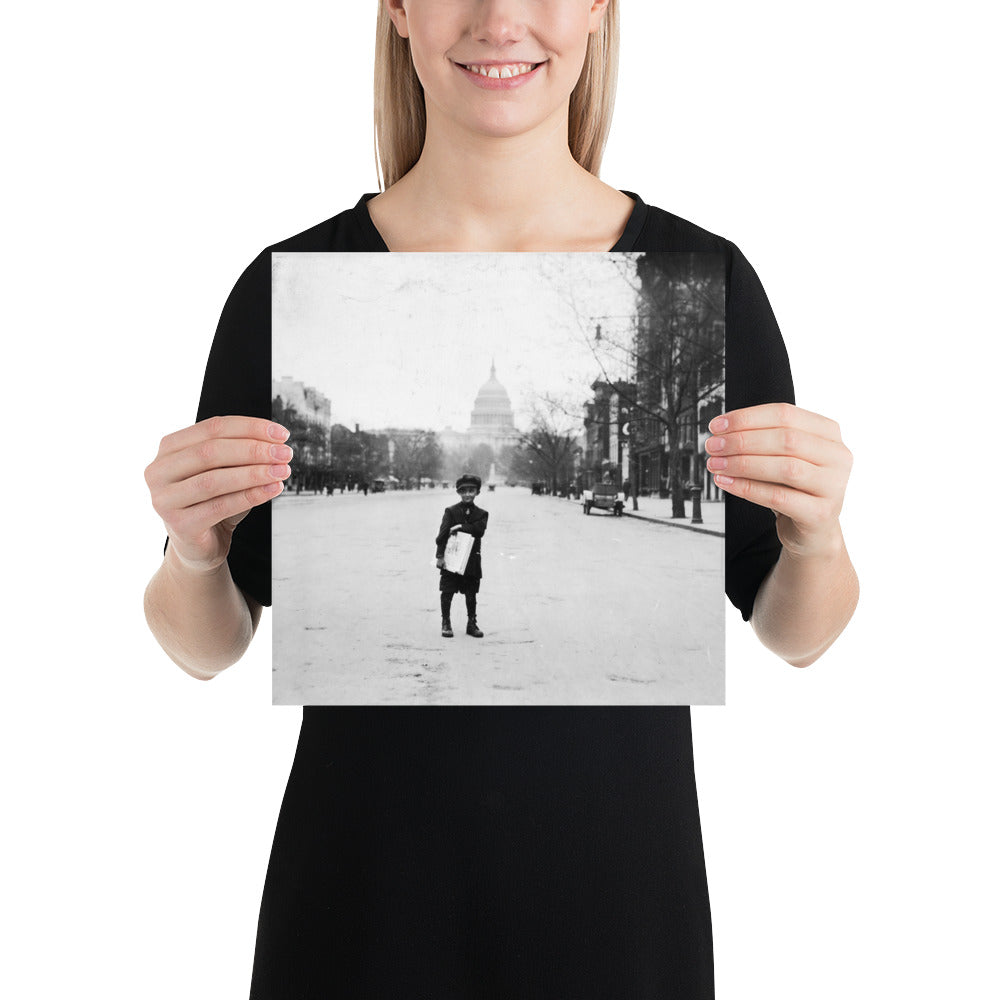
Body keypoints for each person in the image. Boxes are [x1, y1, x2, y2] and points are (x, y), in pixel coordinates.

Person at [143, 1, 858, 996]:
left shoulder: (710, 278)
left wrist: (815, 536)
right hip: (362, 912)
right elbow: (208, 644)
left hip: (616, 912)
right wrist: (193, 551)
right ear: (397, 9)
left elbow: (795, 633)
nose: (500, 17)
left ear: (601, 9)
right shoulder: (285, 287)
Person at [435, 473, 489, 638]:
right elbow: (442, 535)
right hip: (452, 558)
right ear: (458, 492)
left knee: (471, 593)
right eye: (464, 491)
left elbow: (479, 531)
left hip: (471, 560)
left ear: (477, 492)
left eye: (471, 491)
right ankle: (446, 622)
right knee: (447, 591)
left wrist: (460, 527)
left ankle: (471, 623)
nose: (467, 494)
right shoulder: (450, 512)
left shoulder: (482, 514)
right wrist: (439, 556)